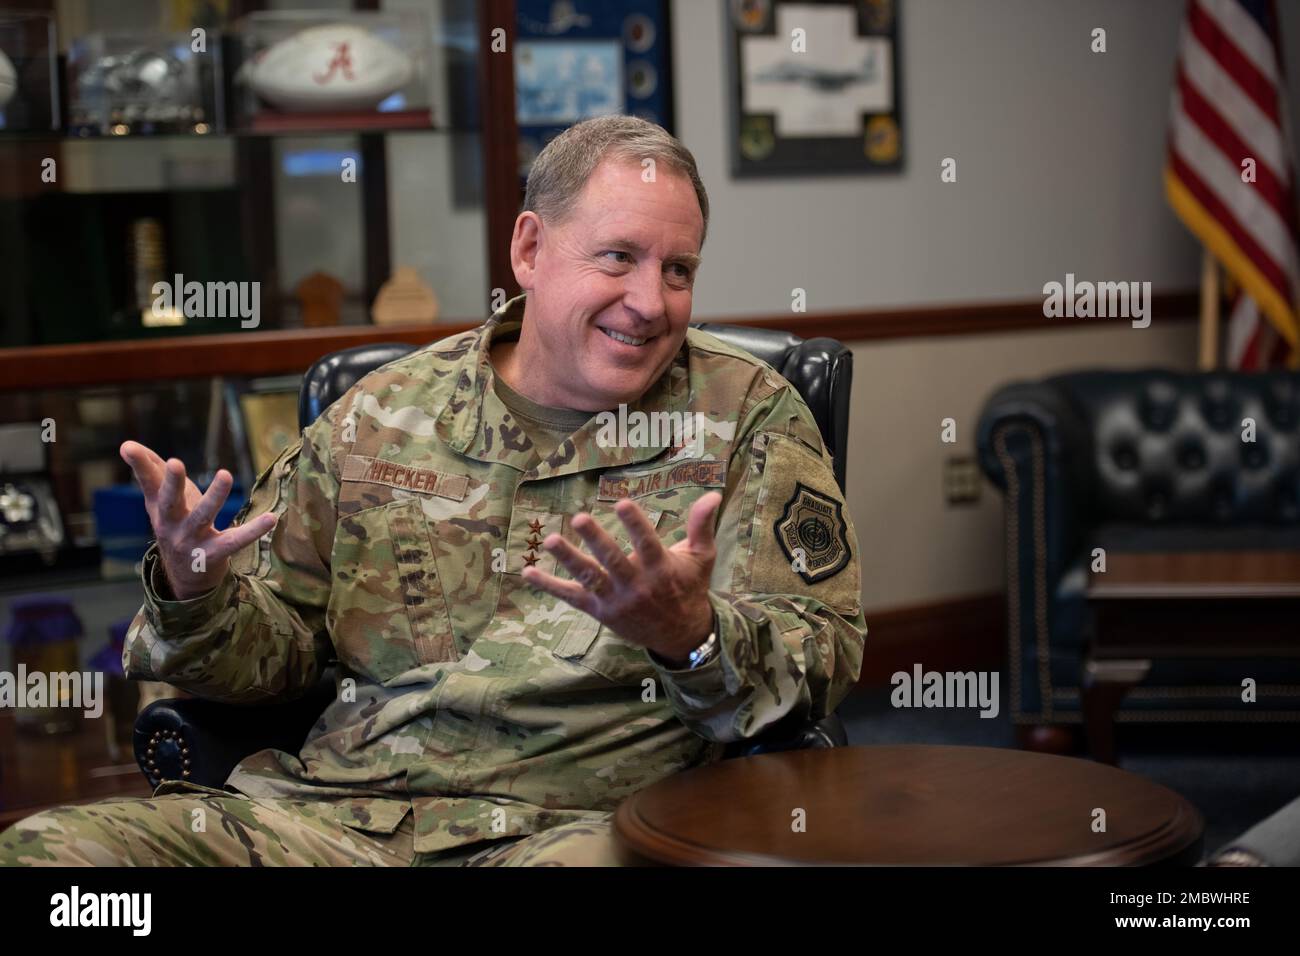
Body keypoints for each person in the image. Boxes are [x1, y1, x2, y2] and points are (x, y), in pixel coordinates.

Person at [0, 116, 866, 866]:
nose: (650, 301)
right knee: (53, 862)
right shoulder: (377, 416)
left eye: (679, 270)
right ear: (529, 249)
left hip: (573, 830)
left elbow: (823, 656)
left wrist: (692, 637)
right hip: (338, 823)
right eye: (618, 258)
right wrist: (196, 593)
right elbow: (280, 659)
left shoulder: (746, 415)